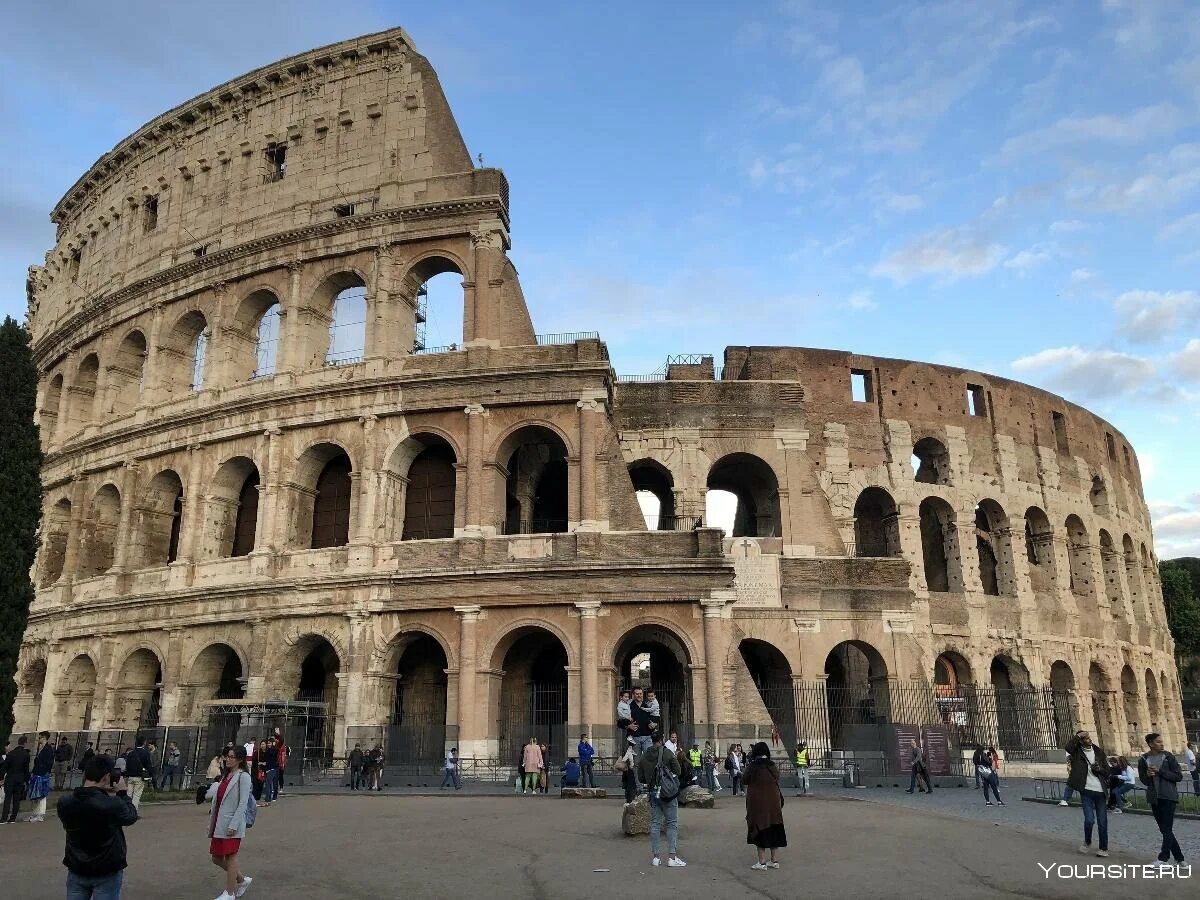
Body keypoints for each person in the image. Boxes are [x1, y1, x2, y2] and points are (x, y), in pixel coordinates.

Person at [56, 753, 138, 898]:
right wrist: (122, 794)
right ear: (107, 776)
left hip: (77, 866)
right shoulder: (112, 804)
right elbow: (131, 816)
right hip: (106, 868)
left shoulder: (65, 802)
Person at [205, 745, 253, 900]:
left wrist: (234, 824)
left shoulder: (243, 776)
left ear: (239, 759)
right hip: (220, 820)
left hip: (232, 823)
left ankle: (230, 893)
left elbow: (243, 803)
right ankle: (241, 880)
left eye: (232, 757)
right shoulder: (226, 775)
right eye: (227, 756)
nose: (228, 759)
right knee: (216, 858)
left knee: (230, 857)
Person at [635, 732, 686, 867]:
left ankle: (656, 857)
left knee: (655, 823)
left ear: (651, 740)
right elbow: (678, 770)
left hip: (654, 792)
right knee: (672, 824)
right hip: (667, 793)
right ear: (662, 740)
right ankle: (671, 857)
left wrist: (651, 780)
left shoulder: (645, 755)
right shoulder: (667, 752)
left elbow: (640, 777)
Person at [1138, 732, 1185, 866]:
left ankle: (1163, 858)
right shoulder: (1143, 759)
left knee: (1166, 828)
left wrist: (1160, 771)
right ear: (1151, 744)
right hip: (1154, 797)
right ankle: (1180, 859)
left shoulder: (1168, 757)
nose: (1162, 743)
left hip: (1168, 796)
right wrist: (1148, 775)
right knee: (1165, 829)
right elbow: (1144, 781)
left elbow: (1178, 776)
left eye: (1162, 741)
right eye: (1158, 742)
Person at [1064, 730, 1110, 857]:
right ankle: (1087, 841)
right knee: (1089, 820)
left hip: (1100, 791)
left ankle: (1103, 848)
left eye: (1088, 737)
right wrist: (1078, 736)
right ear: (1080, 741)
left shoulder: (1099, 753)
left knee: (1102, 822)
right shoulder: (1077, 753)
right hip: (1086, 791)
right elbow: (1068, 747)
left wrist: (1099, 769)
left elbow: (1107, 772)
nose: (1088, 739)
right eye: (1085, 738)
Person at [744, 741, 786, 870]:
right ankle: (774, 860)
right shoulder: (772, 765)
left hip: (758, 804)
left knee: (759, 829)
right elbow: (778, 777)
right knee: (774, 828)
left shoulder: (753, 766)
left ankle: (762, 862)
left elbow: (744, 780)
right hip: (773, 803)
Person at [28, 731, 57, 822]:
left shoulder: (48, 749)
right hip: (37, 774)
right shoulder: (42, 748)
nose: (39, 739)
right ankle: (35, 813)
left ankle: (40, 814)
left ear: (44, 738)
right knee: (35, 794)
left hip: (42, 775)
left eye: (40, 737)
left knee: (41, 794)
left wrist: (42, 772)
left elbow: (48, 763)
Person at [3, 735, 31, 823]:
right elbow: (26, 769)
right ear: (25, 743)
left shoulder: (11, 753)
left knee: (7, 798)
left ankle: (4, 818)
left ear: (18, 742)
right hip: (20, 778)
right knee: (17, 798)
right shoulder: (26, 754)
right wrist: (27, 780)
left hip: (10, 778)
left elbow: (5, 767)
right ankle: (13, 818)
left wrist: (2, 776)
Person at [121, 738, 154, 813]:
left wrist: (127, 774)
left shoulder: (131, 753)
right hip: (140, 776)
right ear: (144, 743)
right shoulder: (146, 753)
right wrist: (150, 775)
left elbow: (127, 765)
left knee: (129, 794)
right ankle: (133, 811)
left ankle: (126, 810)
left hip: (130, 776)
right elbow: (148, 765)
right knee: (136, 795)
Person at [625, 687, 657, 753]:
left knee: (648, 760)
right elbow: (621, 723)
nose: (639, 695)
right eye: (637, 694)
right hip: (634, 738)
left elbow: (656, 718)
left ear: (643, 694)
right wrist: (628, 726)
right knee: (636, 762)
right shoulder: (628, 707)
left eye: (640, 693)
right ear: (633, 695)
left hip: (647, 737)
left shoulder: (649, 705)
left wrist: (654, 724)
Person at [616, 738, 638, 802]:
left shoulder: (626, 749)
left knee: (628, 786)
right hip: (630, 770)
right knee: (631, 785)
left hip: (626, 771)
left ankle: (628, 798)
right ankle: (630, 799)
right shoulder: (632, 750)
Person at [261, 737, 280, 805]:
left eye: (269, 743)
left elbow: (269, 760)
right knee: (272, 783)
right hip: (272, 768)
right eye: (268, 743)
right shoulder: (270, 750)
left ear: (273, 743)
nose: (268, 744)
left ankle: (268, 798)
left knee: (269, 784)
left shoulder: (273, 750)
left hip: (272, 769)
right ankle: (272, 797)